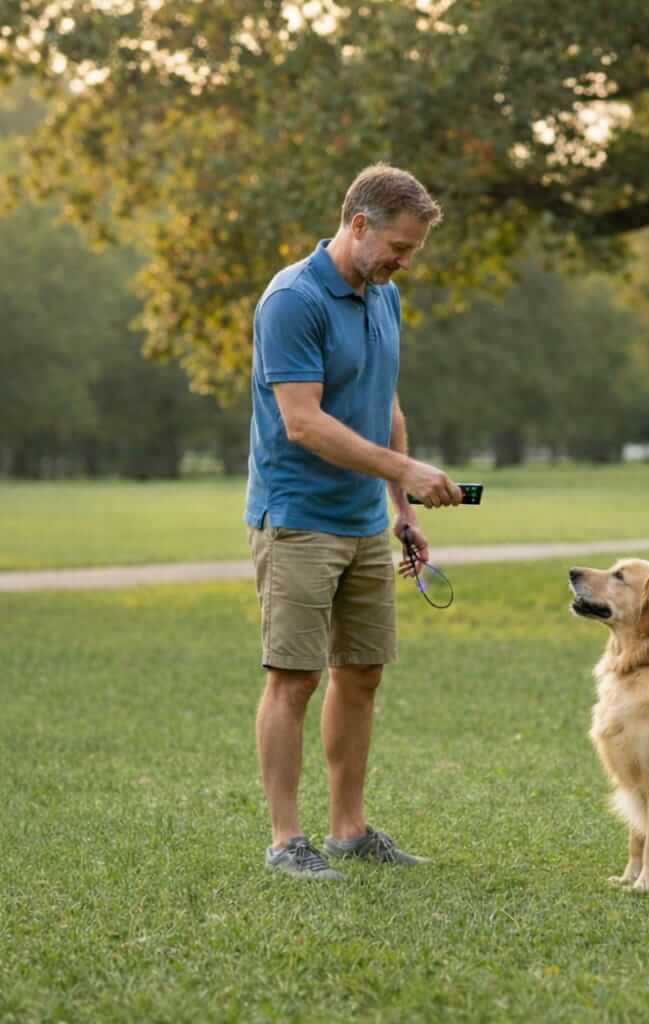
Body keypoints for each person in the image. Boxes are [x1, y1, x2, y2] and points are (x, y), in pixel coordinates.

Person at [244, 163, 463, 879]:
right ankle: (286, 841)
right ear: (359, 224)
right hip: (298, 518)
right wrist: (403, 473)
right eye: (400, 246)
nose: (405, 262)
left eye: (414, 252)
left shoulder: (384, 296)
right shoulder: (293, 300)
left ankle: (349, 829)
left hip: (366, 519)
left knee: (361, 673)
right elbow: (303, 424)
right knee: (294, 678)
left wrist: (400, 510)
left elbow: (385, 404)